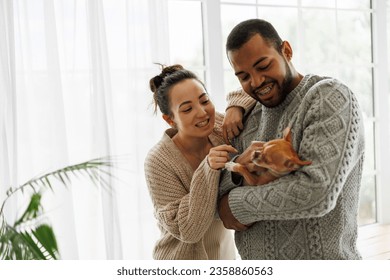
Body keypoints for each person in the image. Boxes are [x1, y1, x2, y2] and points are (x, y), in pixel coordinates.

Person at [218, 19, 365, 260]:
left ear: (286, 50)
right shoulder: (247, 116)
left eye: (263, 65)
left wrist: (235, 205)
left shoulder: (328, 97)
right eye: (243, 76)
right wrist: (236, 173)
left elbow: (315, 191)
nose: (256, 82)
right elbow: (217, 194)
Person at [144, 64, 255, 259]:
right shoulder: (158, 161)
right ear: (170, 120)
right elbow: (188, 230)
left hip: (225, 257)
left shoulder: (218, 128)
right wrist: (208, 168)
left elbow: (255, 90)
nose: (202, 112)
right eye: (187, 109)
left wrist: (235, 107)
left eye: (205, 100)